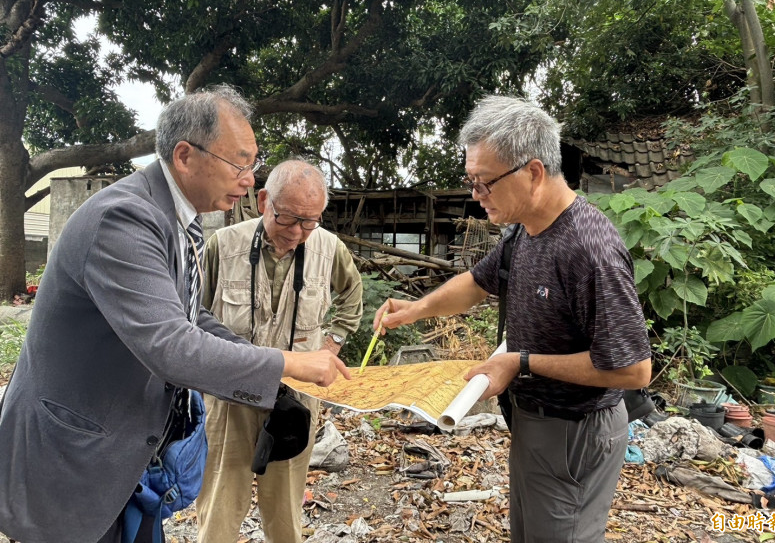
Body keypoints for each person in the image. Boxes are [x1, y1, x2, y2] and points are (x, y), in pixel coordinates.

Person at [0, 85, 349, 543]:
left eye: (253, 165)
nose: (249, 179)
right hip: (78, 460)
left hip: (129, 454)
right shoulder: (125, 219)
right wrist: (288, 362)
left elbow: (190, 316)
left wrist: (265, 365)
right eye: (240, 163)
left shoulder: (178, 219)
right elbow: (171, 345)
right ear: (185, 155)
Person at [374, 95, 651, 543]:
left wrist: (520, 363)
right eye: (471, 181)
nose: (474, 195)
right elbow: (478, 281)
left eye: (483, 183)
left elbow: (634, 370)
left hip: (574, 433)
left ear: (533, 172)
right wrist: (416, 308)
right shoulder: (526, 231)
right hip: (534, 423)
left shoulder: (588, 248)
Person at [195, 158, 363, 543]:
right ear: (263, 200)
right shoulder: (222, 246)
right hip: (229, 396)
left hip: (297, 398)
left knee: (286, 509)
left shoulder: (327, 247)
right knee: (219, 502)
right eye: (288, 218)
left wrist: (332, 344)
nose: (299, 232)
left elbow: (353, 295)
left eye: (311, 221)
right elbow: (193, 315)